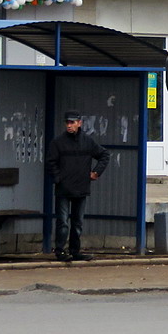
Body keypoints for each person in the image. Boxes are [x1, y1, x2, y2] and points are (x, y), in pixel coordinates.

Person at [44, 111, 110, 262]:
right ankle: (60, 251)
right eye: (67, 122)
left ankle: (74, 251)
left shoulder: (87, 141)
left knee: (77, 223)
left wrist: (96, 172)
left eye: (72, 122)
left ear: (79, 123)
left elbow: (104, 155)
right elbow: (50, 162)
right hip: (64, 188)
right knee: (63, 223)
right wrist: (58, 178)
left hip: (80, 188)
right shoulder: (58, 142)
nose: (69, 125)